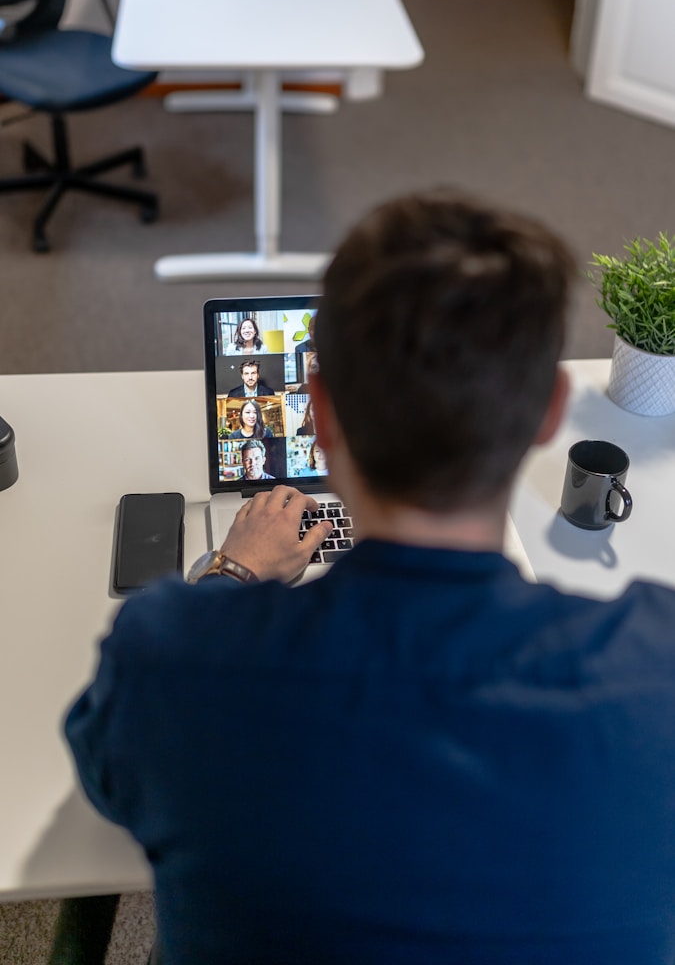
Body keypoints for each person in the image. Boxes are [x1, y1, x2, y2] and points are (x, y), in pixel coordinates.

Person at [65, 191, 675, 965]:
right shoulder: (657, 667)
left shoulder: (168, 657)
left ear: (318, 410)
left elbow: (103, 783)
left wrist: (232, 570)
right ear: (549, 413)